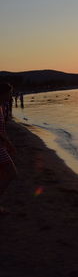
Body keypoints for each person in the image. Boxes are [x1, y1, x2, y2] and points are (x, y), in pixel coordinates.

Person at [0, 83, 17, 213]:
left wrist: (7, 143)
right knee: (11, 173)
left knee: (5, 174)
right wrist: (9, 143)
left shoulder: (2, 107)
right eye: (9, 93)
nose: (11, 96)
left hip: (2, 146)